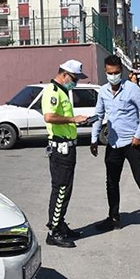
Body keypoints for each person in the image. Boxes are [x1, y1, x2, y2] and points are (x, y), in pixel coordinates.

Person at [91, 55, 140, 235]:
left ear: (121, 71)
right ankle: (113, 218)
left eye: (116, 72)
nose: (113, 76)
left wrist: (139, 135)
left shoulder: (132, 89)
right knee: (111, 182)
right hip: (113, 144)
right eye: (110, 73)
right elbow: (98, 115)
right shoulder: (103, 92)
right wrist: (94, 139)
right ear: (105, 72)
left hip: (132, 143)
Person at [42, 59, 89, 248]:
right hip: (60, 148)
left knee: (66, 190)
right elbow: (49, 117)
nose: (76, 82)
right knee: (61, 189)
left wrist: (76, 122)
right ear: (64, 75)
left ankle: (60, 224)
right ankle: (53, 231)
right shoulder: (52, 92)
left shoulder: (62, 92)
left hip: (67, 147)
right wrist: (73, 118)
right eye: (75, 78)